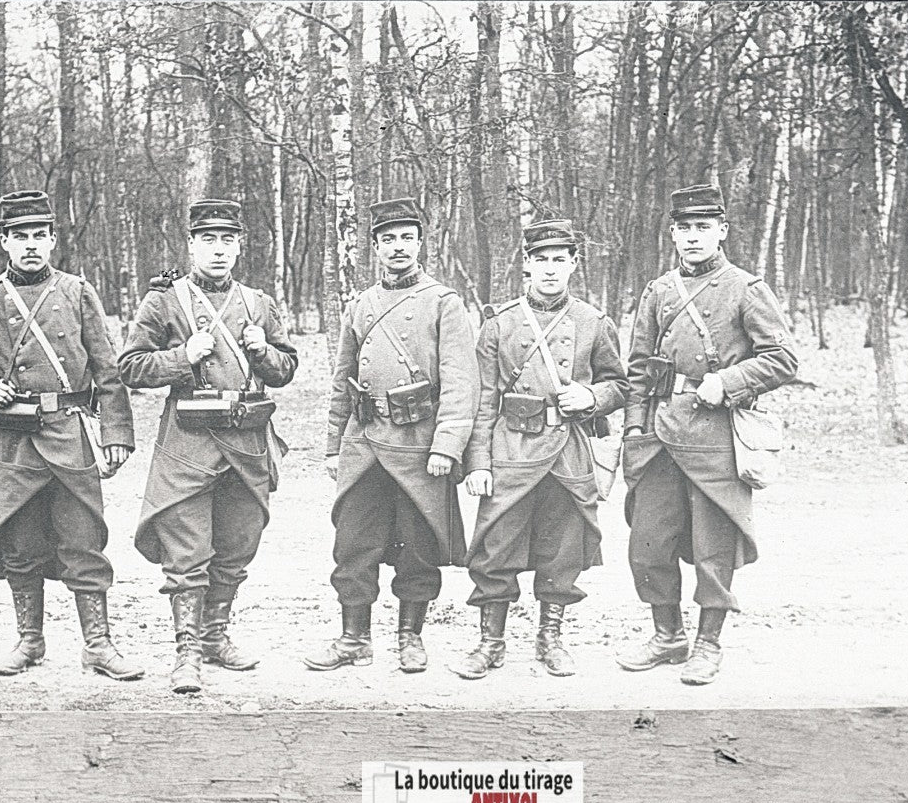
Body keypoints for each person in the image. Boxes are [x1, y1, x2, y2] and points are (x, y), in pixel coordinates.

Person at [0, 190, 142, 681]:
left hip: (70, 433)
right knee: (20, 546)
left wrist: (117, 432)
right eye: (20, 235)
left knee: (84, 542)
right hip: (13, 438)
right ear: (5, 241)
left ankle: (98, 645)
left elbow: (108, 370)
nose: (30, 244)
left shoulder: (77, 292)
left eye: (39, 235)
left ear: (52, 240)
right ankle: (29, 641)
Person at [616, 183, 799, 685]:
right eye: (684, 228)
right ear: (673, 234)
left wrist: (729, 382)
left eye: (703, 227)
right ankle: (667, 636)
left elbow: (783, 358)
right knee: (648, 545)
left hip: (716, 437)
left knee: (713, 549)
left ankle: (708, 644)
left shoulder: (746, 288)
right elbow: (638, 369)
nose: (693, 237)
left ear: (722, 231)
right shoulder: (659, 291)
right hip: (658, 438)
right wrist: (634, 430)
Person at [119, 199, 299, 694]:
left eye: (227, 240)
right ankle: (187, 652)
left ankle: (216, 636)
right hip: (188, 446)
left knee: (237, 547)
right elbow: (130, 366)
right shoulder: (164, 301)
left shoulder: (258, 302)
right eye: (208, 240)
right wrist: (182, 356)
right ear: (192, 245)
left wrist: (263, 351)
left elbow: (286, 369)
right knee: (186, 554)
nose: (218, 250)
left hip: (247, 445)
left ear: (239, 247)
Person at [305, 196, 476, 674]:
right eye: (388, 239)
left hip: (419, 446)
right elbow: (343, 380)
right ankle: (354, 639)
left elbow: (461, 381)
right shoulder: (360, 305)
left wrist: (447, 446)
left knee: (418, 548)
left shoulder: (443, 303)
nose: (398, 247)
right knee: (352, 546)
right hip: (364, 445)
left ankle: (410, 638)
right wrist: (333, 447)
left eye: (406, 238)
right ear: (375, 247)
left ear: (420, 243)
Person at [455, 218, 628, 680]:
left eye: (559, 259)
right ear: (527, 265)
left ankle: (550, 638)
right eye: (541, 259)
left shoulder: (593, 322)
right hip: (511, 449)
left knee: (563, 548)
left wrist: (591, 397)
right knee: (495, 547)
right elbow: (482, 399)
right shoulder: (499, 323)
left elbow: (619, 384)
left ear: (574, 263)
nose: (550, 269)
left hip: (568, 451)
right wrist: (477, 463)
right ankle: (490, 642)